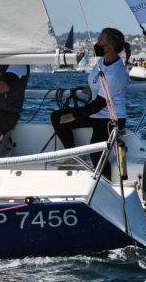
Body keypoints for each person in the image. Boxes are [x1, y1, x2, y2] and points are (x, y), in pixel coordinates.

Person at [50, 27, 129, 176]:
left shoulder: (115, 73)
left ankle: (107, 185)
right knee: (57, 117)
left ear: (109, 47)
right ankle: (73, 154)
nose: (96, 44)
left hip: (110, 118)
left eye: (100, 41)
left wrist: (74, 116)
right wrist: (91, 90)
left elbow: (99, 104)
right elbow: (99, 85)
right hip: (96, 114)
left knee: (96, 153)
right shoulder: (102, 61)